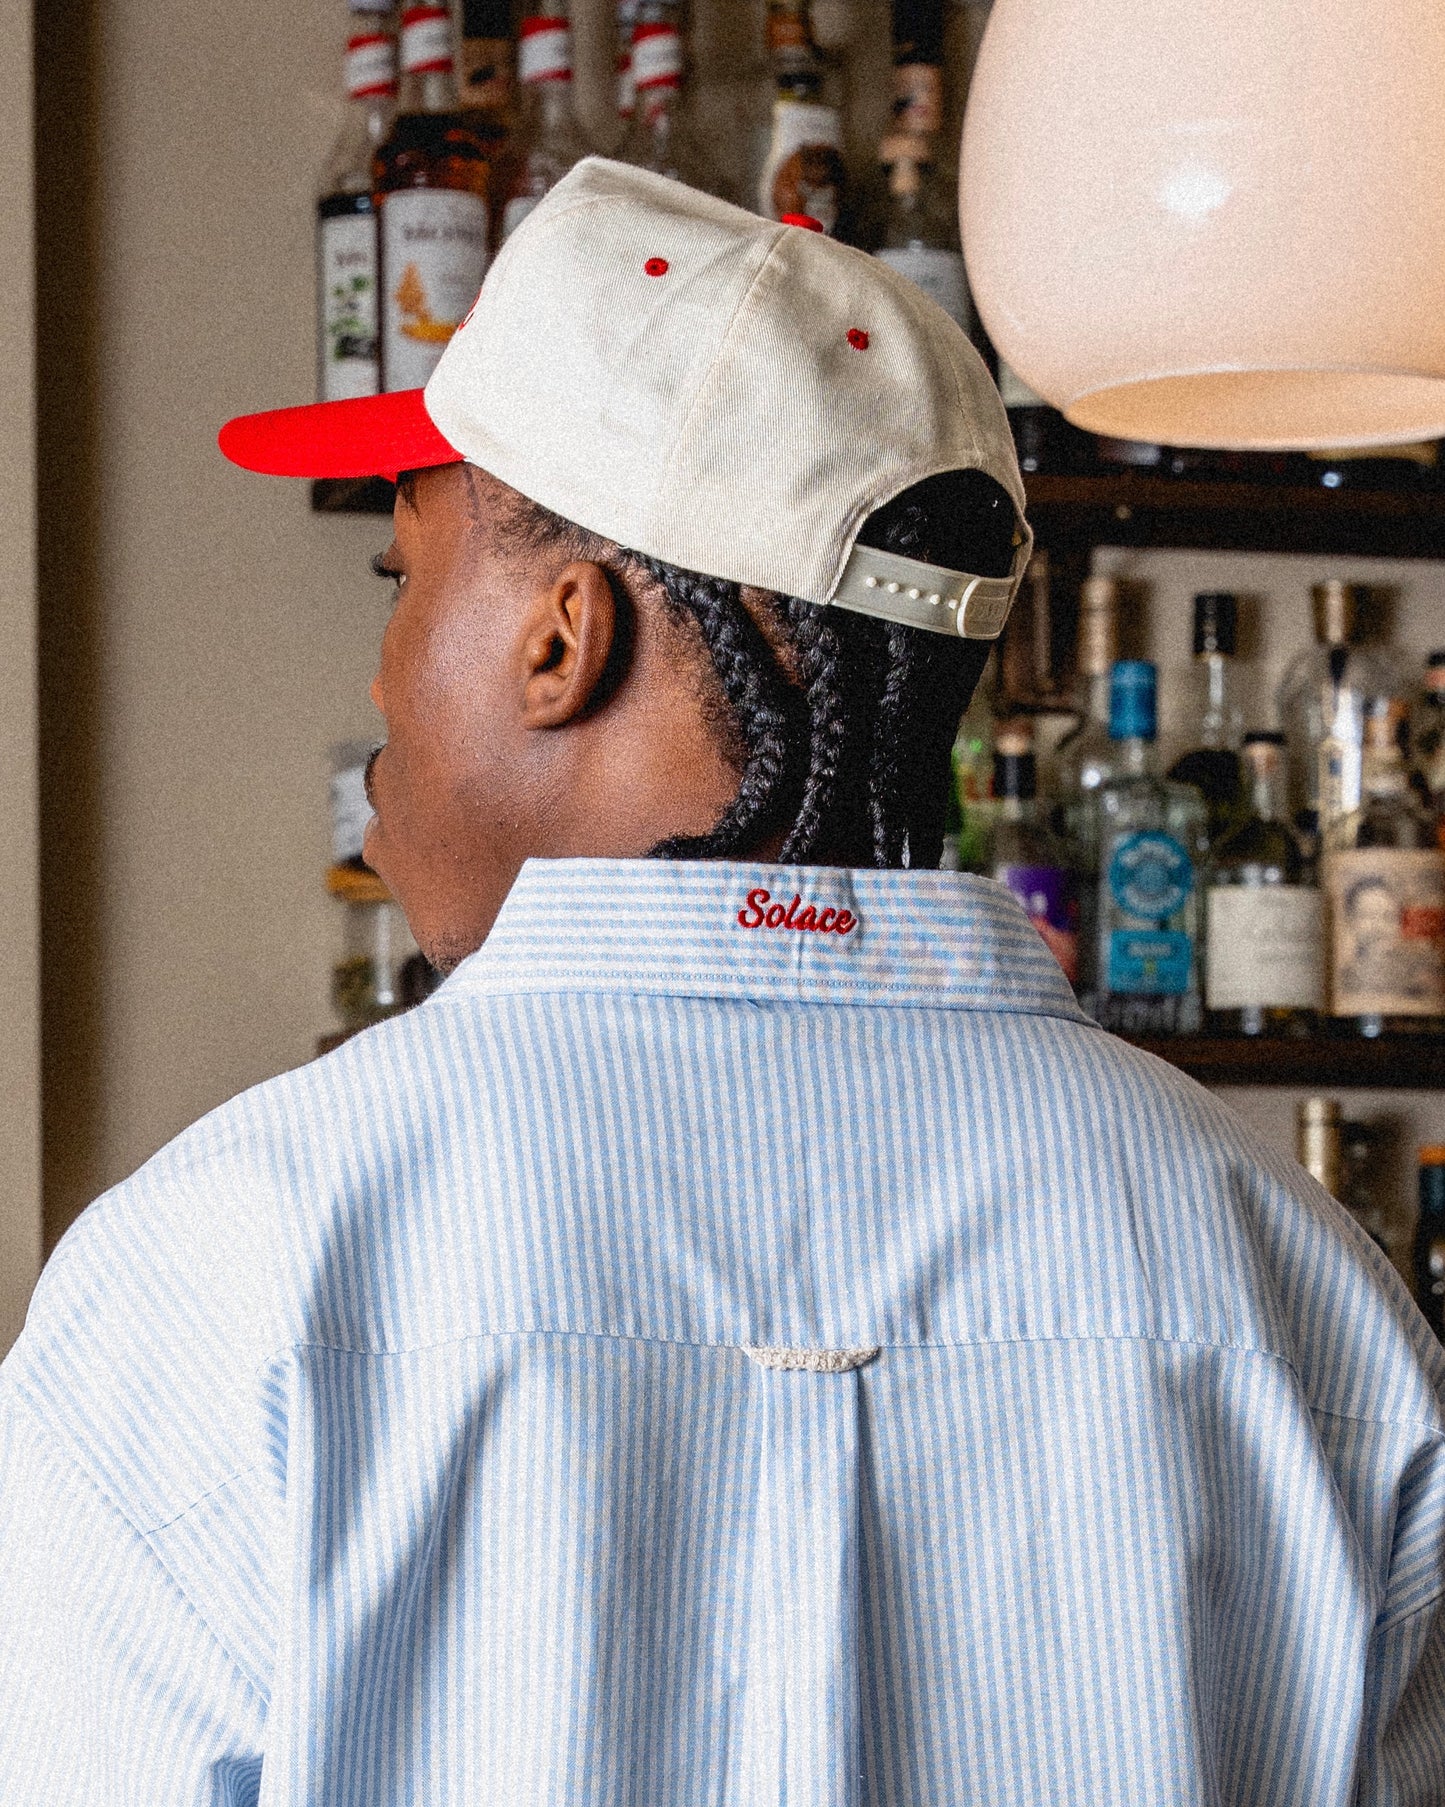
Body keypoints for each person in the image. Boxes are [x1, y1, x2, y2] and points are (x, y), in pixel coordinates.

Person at [2, 158, 1443, 1806]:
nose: (385, 673)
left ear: (564, 637)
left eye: (404, 583)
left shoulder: (229, 1270)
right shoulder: (1294, 1290)